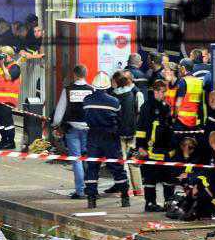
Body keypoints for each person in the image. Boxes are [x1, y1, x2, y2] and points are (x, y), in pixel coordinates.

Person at [83, 71, 130, 208]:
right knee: (117, 167)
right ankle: (125, 198)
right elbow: (120, 119)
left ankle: (91, 199)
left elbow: (85, 116)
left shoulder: (87, 100)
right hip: (110, 137)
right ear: (107, 86)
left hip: (93, 136)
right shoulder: (114, 101)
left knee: (92, 168)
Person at [52, 64, 94, 200]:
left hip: (72, 129)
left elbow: (60, 111)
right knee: (87, 157)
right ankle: (90, 188)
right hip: (88, 129)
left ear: (75, 75)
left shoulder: (68, 90)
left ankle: (80, 191)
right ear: (85, 74)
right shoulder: (92, 89)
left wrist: (55, 124)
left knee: (76, 160)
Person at [136, 80, 175, 212]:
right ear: (156, 91)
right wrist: (140, 146)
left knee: (168, 177)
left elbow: (169, 127)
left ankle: (169, 201)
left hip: (165, 149)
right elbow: (141, 128)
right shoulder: (147, 107)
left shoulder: (166, 106)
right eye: (163, 92)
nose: (165, 94)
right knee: (150, 178)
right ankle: (150, 202)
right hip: (150, 149)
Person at [109, 71, 145, 197]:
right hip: (132, 132)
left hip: (119, 133)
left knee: (123, 162)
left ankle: (127, 189)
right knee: (133, 161)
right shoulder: (131, 94)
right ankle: (138, 189)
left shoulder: (114, 97)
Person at [0, 46, 22, 149]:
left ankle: (11, 142)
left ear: (8, 56)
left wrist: (2, 65)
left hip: (7, 100)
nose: (1, 57)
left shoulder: (15, 67)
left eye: (3, 55)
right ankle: (3, 140)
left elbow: (8, 77)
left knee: (7, 122)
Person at [172, 58, 209, 139]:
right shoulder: (199, 82)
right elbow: (202, 104)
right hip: (193, 122)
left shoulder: (183, 81)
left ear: (183, 68)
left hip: (181, 121)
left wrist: (174, 117)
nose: (179, 70)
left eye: (180, 68)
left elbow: (178, 103)